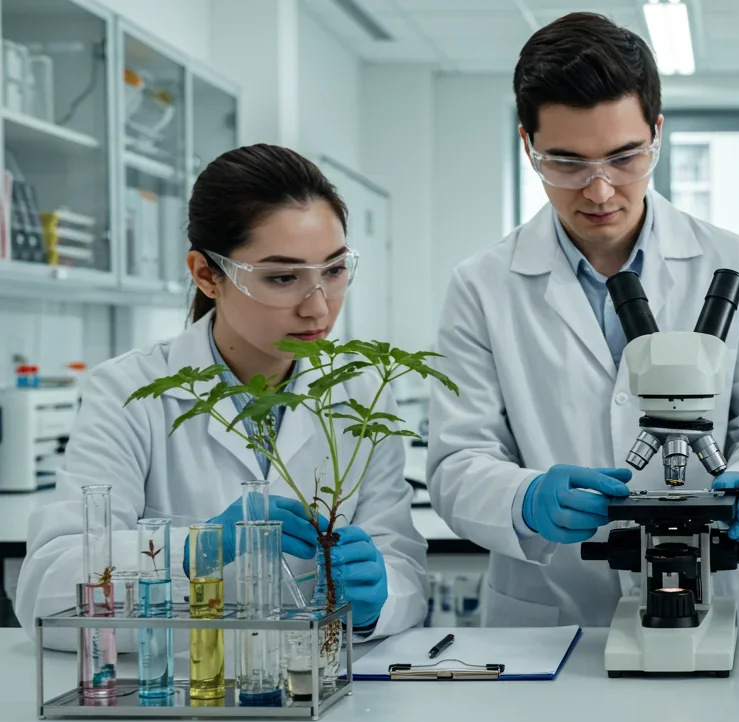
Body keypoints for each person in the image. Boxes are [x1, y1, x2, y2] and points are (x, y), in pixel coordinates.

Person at [428, 12, 739, 628]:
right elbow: (456, 462)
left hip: (706, 595)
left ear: (656, 134)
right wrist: (524, 499)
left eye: (625, 157)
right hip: (545, 618)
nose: (600, 190)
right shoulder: (482, 285)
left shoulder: (730, 261)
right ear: (528, 146)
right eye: (567, 162)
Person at [16, 144, 429, 646]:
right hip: (185, 685)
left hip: (321, 681)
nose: (318, 309)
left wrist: (375, 604)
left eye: (334, 271)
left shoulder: (360, 394)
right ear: (207, 274)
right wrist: (195, 550)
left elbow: (403, 570)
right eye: (282, 277)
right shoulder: (128, 392)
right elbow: (46, 593)